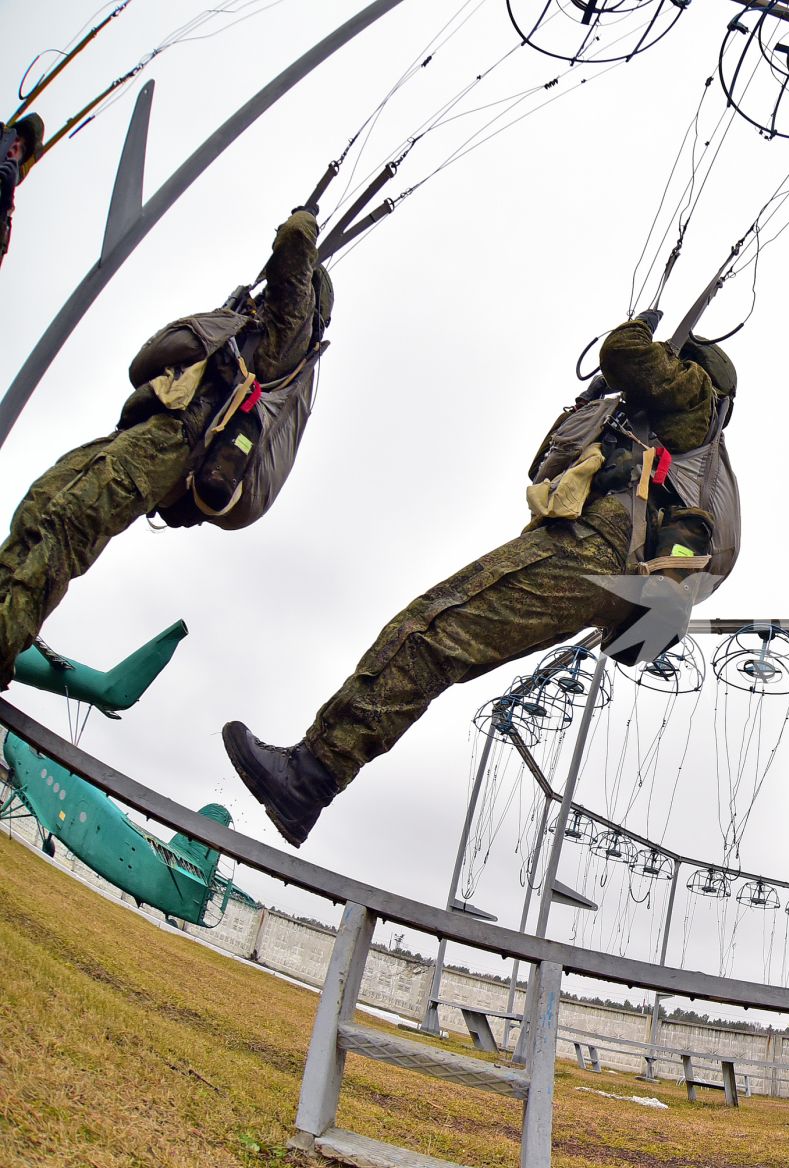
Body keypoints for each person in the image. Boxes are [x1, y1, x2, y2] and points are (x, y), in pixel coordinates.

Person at [222, 314, 737, 847]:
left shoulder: (694, 401)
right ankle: (313, 778)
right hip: (609, 575)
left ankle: (309, 777)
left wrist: (642, 326)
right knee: (446, 644)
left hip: (595, 549)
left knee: (433, 629)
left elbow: (625, 350)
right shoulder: (689, 448)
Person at [0, 205, 331, 686]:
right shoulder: (248, 324)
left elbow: (296, 244)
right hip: (143, 434)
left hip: (176, 444)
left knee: (70, 523)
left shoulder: (290, 332)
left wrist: (304, 215)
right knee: (41, 506)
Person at [0, 113, 43, 267]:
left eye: (23, 148)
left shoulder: (5, 208)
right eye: (15, 137)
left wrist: (4, 204)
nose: (16, 145)